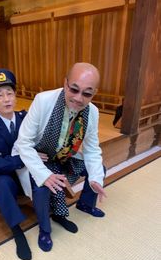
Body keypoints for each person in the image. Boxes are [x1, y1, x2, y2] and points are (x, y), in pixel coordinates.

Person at [13, 62, 107, 233]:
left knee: (98, 169)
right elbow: (23, 142)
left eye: (87, 93)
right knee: (43, 186)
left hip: (64, 156)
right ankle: (45, 229)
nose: (79, 98)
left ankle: (85, 204)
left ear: (94, 93)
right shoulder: (43, 100)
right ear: (65, 83)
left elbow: (92, 150)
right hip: (39, 155)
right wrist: (44, 174)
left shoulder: (92, 112)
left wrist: (96, 179)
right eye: (74, 89)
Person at [0, 69, 53, 260]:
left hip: (26, 173)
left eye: (9, 93)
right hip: (6, 177)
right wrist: (24, 159)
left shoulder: (26, 118)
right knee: (1, 184)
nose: (6, 99)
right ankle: (16, 230)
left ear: (15, 96)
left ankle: (52, 216)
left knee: (46, 172)